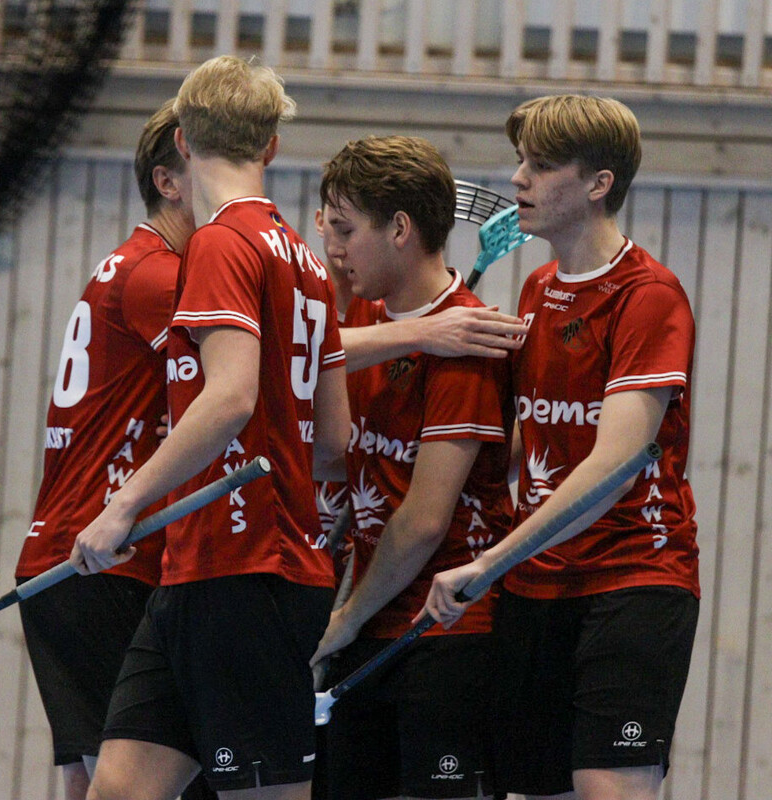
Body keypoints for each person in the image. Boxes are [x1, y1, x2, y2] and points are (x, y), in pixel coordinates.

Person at [69, 55, 350, 800]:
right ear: (271, 146)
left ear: (183, 141)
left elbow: (229, 399)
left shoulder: (221, 243)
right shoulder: (308, 262)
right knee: (118, 790)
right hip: (197, 569)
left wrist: (123, 505)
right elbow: (333, 441)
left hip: (248, 573)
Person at [420, 94, 699, 800]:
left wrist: (488, 561)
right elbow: (528, 434)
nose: (518, 179)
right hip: (536, 585)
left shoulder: (648, 296)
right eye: (521, 161)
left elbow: (614, 467)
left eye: (541, 166)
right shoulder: (539, 289)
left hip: (633, 576)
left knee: (606, 783)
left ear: (599, 183)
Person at [307, 135, 514, 800]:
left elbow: (424, 520)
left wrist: (345, 619)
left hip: (446, 631)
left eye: (346, 230)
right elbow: (330, 436)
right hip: (372, 621)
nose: (334, 248)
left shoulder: (468, 341)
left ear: (400, 229)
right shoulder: (369, 318)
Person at [15, 99, 203, 800]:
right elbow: (271, 368)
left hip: (68, 561)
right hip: (99, 560)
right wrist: (414, 334)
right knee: (129, 783)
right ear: (168, 181)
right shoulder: (158, 275)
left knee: (90, 779)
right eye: (211, 167)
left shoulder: (131, 265)